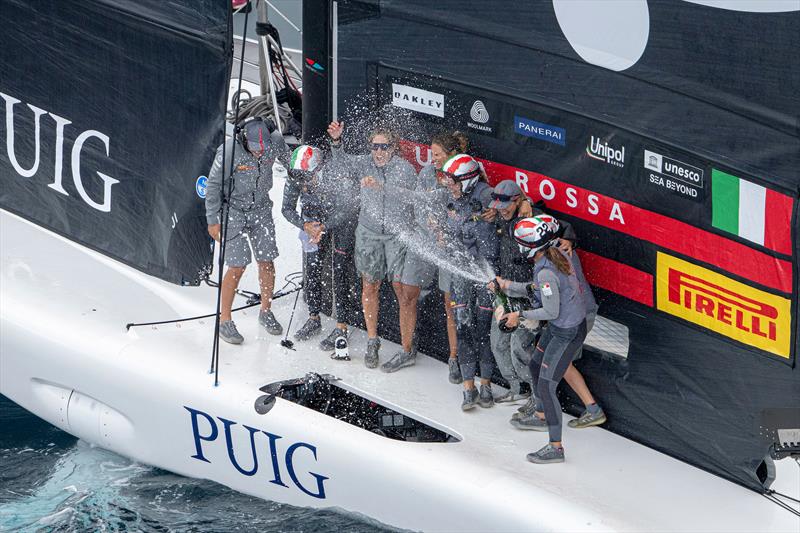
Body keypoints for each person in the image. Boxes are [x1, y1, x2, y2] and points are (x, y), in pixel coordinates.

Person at [496, 215, 588, 464]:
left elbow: (550, 311)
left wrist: (518, 315)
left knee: (547, 386)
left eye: (520, 243)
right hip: (562, 327)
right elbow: (538, 289)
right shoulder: (554, 254)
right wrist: (507, 286)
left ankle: (555, 447)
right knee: (536, 364)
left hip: (565, 332)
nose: (517, 247)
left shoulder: (546, 271)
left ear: (530, 248)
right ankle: (540, 414)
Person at [326, 120, 417, 368]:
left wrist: (383, 187)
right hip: (368, 233)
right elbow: (341, 163)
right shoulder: (363, 163)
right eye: (374, 147)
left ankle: (407, 348)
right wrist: (336, 142)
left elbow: (414, 198)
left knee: (402, 290)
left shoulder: (405, 169)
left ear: (393, 148)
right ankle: (372, 340)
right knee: (370, 286)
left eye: (384, 147)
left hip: (397, 235)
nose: (378, 152)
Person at [381, 131, 466, 375]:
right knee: (407, 295)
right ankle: (407, 351)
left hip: (449, 250)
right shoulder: (428, 172)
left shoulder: (464, 172)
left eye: (437, 154)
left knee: (452, 306)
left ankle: (454, 360)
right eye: (432, 153)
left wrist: (445, 230)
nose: (433, 158)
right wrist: (428, 221)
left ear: (451, 154)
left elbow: (467, 211)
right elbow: (419, 203)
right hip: (423, 242)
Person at [487, 180, 576, 402]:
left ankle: (536, 397)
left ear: (517, 201)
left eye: (505, 205)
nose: (501, 210)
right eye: (497, 205)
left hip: (527, 295)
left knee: (521, 347)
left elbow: (564, 227)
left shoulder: (535, 217)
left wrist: (569, 240)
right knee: (498, 342)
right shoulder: (497, 215)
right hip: (505, 291)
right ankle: (517, 388)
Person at [205, 116, 289, 344]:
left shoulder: (276, 142)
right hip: (233, 210)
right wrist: (212, 219)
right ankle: (224, 320)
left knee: (267, 260)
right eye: (254, 149)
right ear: (244, 140)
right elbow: (212, 185)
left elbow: (290, 164)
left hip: (261, 208)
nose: (260, 153)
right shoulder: (229, 150)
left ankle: (265, 310)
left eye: (263, 149)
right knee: (237, 266)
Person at [282, 144, 359, 345]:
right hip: (312, 221)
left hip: (339, 222)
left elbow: (348, 209)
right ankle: (313, 317)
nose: (303, 183)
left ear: (319, 168)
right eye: (299, 179)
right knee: (312, 268)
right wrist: (305, 225)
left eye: (307, 178)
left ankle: (341, 327)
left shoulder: (336, 173)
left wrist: (324, 226)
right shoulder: (295, 175)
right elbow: (286, 209)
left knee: (339, 270)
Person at [440, 154, 499, 410]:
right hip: (461, 273)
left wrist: (496, 214)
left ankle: (486, 385)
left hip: (485, 275)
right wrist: (441, 233)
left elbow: (519, 206)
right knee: (463, 327)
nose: (448, 185)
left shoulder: (487, 195)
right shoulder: (449, 199)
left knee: (483, 329)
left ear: (467, 179)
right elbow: (447, 225)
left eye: (453, 181)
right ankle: (468, 387)